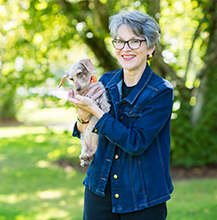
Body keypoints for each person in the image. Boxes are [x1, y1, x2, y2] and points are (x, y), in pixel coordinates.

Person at [67, 10, 174, 220]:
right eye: (120, 41)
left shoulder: (161, 91)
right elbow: (83, 132)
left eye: (134, 42)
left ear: (150, 47)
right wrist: (82, 113)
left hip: (143, 196)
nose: (126, 49)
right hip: (98, 190)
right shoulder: (105, 81)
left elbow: (136, 142)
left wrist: (96, 110)